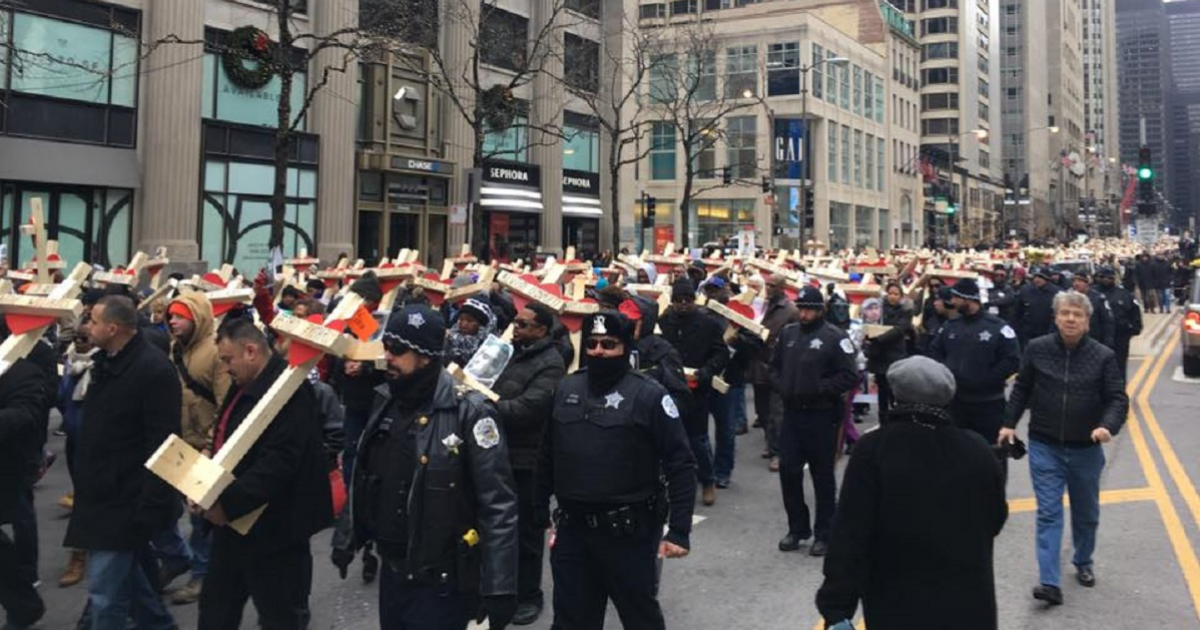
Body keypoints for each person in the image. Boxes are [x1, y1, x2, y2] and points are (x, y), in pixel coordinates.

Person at [332, 304, 519, 630]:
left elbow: (498, 504)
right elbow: (367, 475)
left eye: (399, 351)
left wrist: (499, 585)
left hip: (442, 582)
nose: (388, 357)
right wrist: (346, 537)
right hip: (394, 572)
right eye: (387, 348)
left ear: (427, 356)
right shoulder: (385, 401)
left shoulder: (471, 413)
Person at [816, 356, 1008, 630]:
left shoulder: (874, 449)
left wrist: (836, 606)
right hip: (966, 597)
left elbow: (851, 532)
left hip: (896, 597)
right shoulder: (976, 448)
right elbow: (996, 517)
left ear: (896, 395)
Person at [536, 310, 696, 630]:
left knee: (640, 618)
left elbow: (681, 463)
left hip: (628, 534)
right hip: (573, 531)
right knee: (571, 620)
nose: (599, 351)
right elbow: (547, 455)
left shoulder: (649, 395)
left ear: (625, 348)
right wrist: (538, 507)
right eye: (593, 344)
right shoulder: (567, 388)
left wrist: (679, 529)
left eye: (609, 344)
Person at [193, 318, 332, 629]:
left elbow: (279, 464)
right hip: (231, 528)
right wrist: (202, 483)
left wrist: (226, 504)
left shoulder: (289, 392)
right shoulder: (243, 385)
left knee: (279, 616)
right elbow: (224, 435)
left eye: (228, 360)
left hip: (275, 531)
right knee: (215, 610)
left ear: (251, 351)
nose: (225, 368)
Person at [1000, 291, 1129, 606]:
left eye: (1078, 315)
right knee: (1048, 512)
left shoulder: (1103, 356)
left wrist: (1106, 427)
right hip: (1045, 445)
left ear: (1087, 321)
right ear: (1056, 317)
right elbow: (1022, 388)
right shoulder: (1038, 349)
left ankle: (1083, 560)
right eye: (1065, 313)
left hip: (1085, 448)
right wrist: (1008, 423)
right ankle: (1049, 582)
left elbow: (1117, 398)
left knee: (1086, 513)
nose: (1071, 319)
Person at [66, 295, 180, 630]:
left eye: (94, 321)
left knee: (106, 595)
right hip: (103, 493)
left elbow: (162, 444)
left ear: (112, 328)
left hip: (125, 498)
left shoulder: (153, 370)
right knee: (130, 586)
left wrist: (151, 503)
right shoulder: (107, 360)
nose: (88, 327)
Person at [490, 303, 566, 626]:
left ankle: (528, 595)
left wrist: (486, 406)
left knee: (527, 532)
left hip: (528, 460)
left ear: (542, 331)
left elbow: (529, 408)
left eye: (523, 324)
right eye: (516, 322)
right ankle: (496, 589)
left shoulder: (550, 364)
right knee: (496, 527)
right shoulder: (507, 351)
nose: (516, 327)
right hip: (496, 453)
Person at [769, 287, 859, 556]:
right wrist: (783, 385)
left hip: (822, 414)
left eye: (810, 308)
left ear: (820, 310)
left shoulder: (835, 337)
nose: (805, 313)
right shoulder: (788, 334)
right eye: (802, 308)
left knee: (822, 476)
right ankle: (797, 528)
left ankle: (825, 532)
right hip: (793, 414)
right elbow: (774, 367)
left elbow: (848, 375)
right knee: (789, 471)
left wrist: (819, 388)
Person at [159, 291, 232, 604]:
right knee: (167, 509)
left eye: (179, 316)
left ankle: (203, 576)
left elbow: (224, 404)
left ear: (197, 318)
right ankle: (182, 559)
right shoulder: (176, 348)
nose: (172, 321)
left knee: (200, 519)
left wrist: (211, 448)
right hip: (179, 444)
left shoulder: (215, 352)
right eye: (170, 316)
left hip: (203, 446)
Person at [929, 279, 1021, 452]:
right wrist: (947, 374)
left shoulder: (998, 328)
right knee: (955, 452)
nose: (952, 301)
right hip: (956, 404)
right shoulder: (950, 326)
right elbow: (934, 351)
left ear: (967, 298)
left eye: (956, 297)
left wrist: (985, 380)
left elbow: (1011, 360)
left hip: (988, 404)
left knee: (992, 453)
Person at [659, 278, 729, 506]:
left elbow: (721, 354)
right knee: (669, 440)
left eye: (687, 300)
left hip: (697, 390)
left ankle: (707, 480)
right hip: (669, 389)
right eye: (678, 300)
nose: (683, 305)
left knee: (698, 440)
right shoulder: (664, 322)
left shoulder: (707, 324)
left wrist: (706, 372)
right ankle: (673, 484)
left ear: (694, 300)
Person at [0, 353, 48, 629]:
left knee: (21, 521)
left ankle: (24, 603)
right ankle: (24, 604)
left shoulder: (21, 371)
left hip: (9, 467)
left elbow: (26, 414)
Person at [751, 274, 800, 472]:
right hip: (759, 363)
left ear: (782, 287)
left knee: (778, 412)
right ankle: (770, 443)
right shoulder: (760, 305)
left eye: (772, 285)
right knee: (762, 410)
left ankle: (779, 452)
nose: (768, 288)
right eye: (767, 285)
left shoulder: (790, 310)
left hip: (780, 365)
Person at [864, 283, 914, 421]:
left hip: (895, 355)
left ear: (901, 296)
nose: (892, 296)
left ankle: (898, 418)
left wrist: (879, 338)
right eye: (890, 293)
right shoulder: (877, 309)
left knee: (895, 389)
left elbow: (900, 329)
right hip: (879, 355)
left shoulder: (906, 310)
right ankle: (883, 420)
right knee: (882, 392)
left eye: (896, 294)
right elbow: (870, 324)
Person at [1094, 266, 1141, 374]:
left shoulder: (1124, 294)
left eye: (1109, 277)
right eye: (1103, 277)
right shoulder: (1093, 294)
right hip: (1098, 337)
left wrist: (1132, 328)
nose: (1106, 280)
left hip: (1120, 336)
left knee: (1119, 367)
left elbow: (1135, 312)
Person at [1015, 267, 1061, 348]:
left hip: (1046, 332)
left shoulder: (1056, 292)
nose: (1037, 280)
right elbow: (1017, 312)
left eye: (1041, 277)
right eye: (1035, 277)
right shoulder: (1025, 290)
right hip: (1027, 332)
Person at [445, 297, 495, 367]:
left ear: (480, 325)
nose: (463, 324)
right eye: (461, 319)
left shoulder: (483, 350)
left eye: (470, 321)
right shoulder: (448, 336)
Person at [1069, 272, 1115, 349]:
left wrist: (1108, 339)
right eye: (1074, 281)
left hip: (1094, 339)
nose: (1076, 284)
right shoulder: (1068, 298)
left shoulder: (1098, 299)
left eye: (1080, 281)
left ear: (1087, 283)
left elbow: (1107, 320)